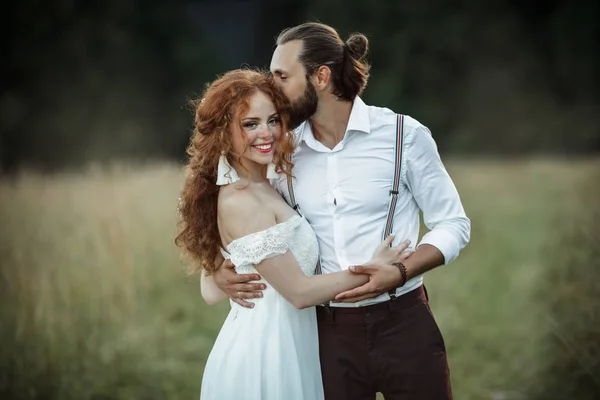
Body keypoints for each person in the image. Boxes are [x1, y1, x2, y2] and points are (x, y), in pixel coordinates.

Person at [211, 23, 471, 400]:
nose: (273, 89)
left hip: (404, 323)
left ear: (320, 76)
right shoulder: (282, 153)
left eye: (282, 77)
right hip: (327, 334)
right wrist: (216, 272)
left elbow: (453, 223)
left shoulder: (404, 136)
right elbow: (242, 217)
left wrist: (399, 271)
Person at [175, 69, 412, 400]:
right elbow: (299, 292)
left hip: (294, 344)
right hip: (267, 354)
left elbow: (211, 291)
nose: (266, 133)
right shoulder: (241, 199)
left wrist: (217, 276)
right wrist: (373, 269)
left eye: (273, 120)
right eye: (250, 123)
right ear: (224, 132)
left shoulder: (267, 183)